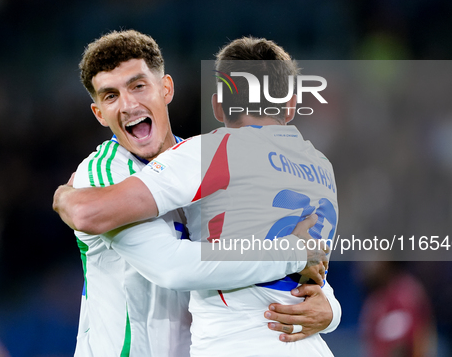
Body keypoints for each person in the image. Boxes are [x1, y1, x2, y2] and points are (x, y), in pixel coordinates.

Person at [54, 35, 341, 355]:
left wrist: (330, 308)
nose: (128, 105)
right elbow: (171, 266)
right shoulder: (106, 175)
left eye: (138, 86)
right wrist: (65, 197)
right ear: (98, 113)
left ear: (166, 88)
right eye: (111, 96)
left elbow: (296, 248)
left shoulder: (200, 161)